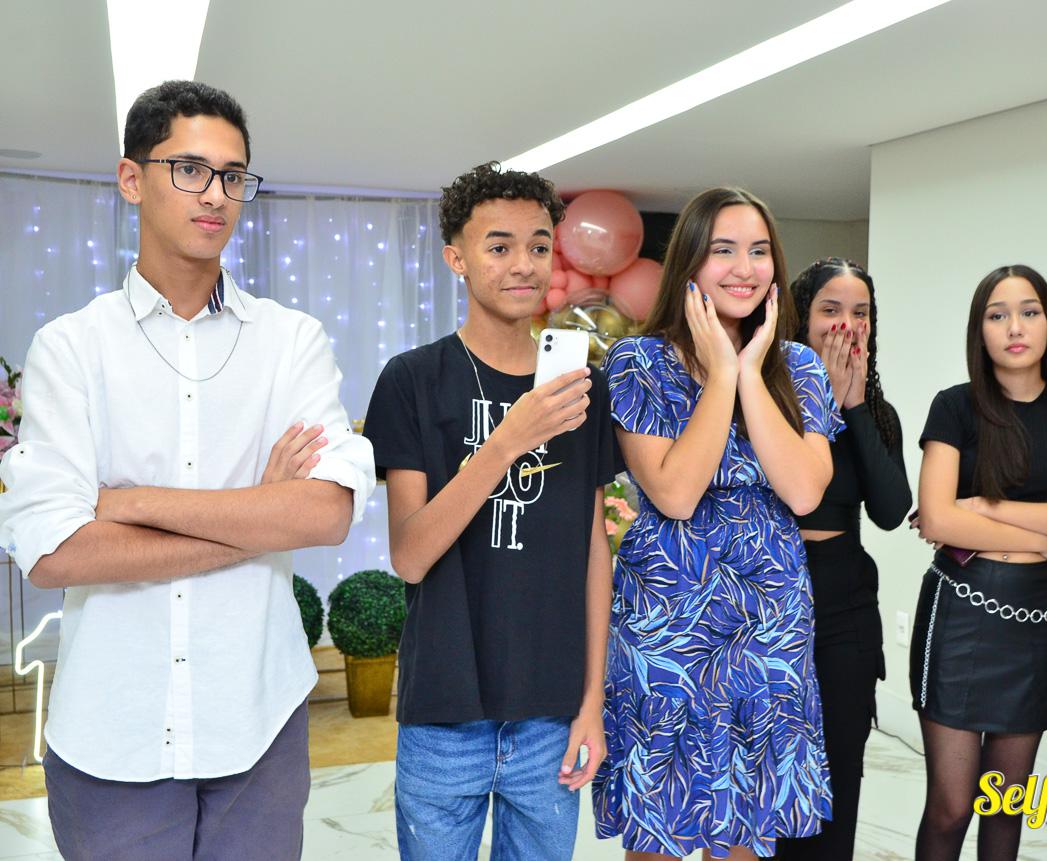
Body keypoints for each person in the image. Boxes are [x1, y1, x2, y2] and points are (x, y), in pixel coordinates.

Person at [0, 80, 375, 860]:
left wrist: (129, 502)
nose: (216, 194)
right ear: (131, 179)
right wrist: (258, 511)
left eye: (233, 176)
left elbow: (325, 513)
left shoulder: (290, 340)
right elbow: (55, 552)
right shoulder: (71, 348)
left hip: (259, 722)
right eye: (191, 169)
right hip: (112, 732)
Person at [362, 161, 617, 861]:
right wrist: (508, 440)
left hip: (551, 714)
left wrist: (592, 701)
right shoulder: (413, 379)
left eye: (538, 246)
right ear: (457, 259)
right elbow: (410, 555)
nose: (523, 264)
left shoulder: (582, 388)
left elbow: (594, 551)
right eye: (498, 246)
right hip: (444, 712)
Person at [593, 187, 839, 860]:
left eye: (759, 251)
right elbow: (675, 492)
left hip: (769, 626)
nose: (744, 268)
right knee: (661, 833)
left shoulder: (799, 368)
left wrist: (750, 372)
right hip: (667, 627)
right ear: (690, 263)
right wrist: (722, 375)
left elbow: (803, 490)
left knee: (745, 837)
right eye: (723, 250)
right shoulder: (638, 361)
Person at [910, 264, 1047, 860]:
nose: (1014, 327)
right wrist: (1045, 539)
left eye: (1029, 312)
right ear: (980, 330)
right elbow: (937, 519)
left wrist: (985, 505)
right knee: (951, 807)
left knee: (1005, 807)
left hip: (1033, 618)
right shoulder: (955, 407)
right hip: (960, 609)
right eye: (997, 315)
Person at [776, 258, 911, 860]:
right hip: (769, 591)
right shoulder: (764, 402)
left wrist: (853, 407)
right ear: (800, 320)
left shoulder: (876, 413)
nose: (846, 326)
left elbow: (891, 509)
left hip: (844, 602)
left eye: (861, 313)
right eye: (830, 310)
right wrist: (818, 398)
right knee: (767, 770)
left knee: (838, 770)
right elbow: (791, 494)